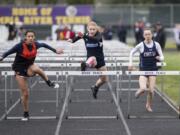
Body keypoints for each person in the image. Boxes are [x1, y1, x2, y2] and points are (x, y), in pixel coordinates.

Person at [0, 30, 64, 121]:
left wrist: (55, 51)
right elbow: (8, 52)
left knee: (37, 69)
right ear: (25, 37)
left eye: (32, 36)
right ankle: (26, 113)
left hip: (29, 67)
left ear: (34, 37)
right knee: (25, 94)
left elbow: (45, 45)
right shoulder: (19, 46)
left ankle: (49, 82)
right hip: (19, 70)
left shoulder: (36, 44)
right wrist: (2, 57)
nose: (30, 38)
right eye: (29, 36)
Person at [67, 21, 108, 99]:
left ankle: (95, 87)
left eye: (94, 29)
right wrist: (72, 40)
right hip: (91, 59)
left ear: (96, 30)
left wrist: (84, 36)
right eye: (90, 29)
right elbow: (78, 37)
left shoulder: (98, 36)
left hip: (100, 60)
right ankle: (85, 65)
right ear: (87, 29)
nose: (92, 31)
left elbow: (95, 40)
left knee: (104, 79)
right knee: (93, 59)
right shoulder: (85, 35)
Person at [128, 28, 164, 112]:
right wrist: (130, 63)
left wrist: (160, 58)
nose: (148, 36)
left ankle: (148, 105)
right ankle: (139, 91)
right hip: (143, 70)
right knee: (143, 88)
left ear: (152, 35)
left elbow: (162, 57)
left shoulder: (156, 45)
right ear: (143, 36)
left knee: (151, 91)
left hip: (153, 70)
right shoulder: (140, 45)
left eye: (149, 34)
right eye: (146, 34)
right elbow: (131, 52)